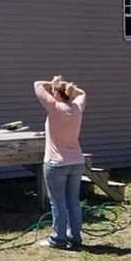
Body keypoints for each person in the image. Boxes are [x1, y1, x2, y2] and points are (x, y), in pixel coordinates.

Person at [33, 75, 87, 249]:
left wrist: (53, 82)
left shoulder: (55, 108)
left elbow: (37, 85)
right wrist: (65, 85)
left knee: (58, 203)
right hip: (76, 161)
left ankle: (58, 239)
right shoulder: (77, 107)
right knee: (73, 201)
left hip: (56, 163)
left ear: (56, 94)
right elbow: (83, 92)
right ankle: (75, 238)